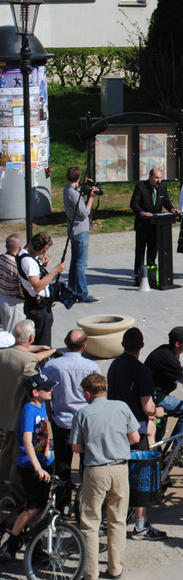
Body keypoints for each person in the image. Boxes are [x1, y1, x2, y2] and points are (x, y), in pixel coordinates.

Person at [70, 372, 140, 580]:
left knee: (90, 522)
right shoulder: (121, 407)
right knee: (117, 519)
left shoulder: (82, 413)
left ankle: (90, 572)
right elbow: (135, 437)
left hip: (95, 470)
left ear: (88, 394)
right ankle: (115, 568)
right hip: (120, 468)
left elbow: (76, 447)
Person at [106, 327, 166, 541]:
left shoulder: (114, 366)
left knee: (118, 474)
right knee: (141, 477)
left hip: (114, 429)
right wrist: (158, 411)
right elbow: (147, 406)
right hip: (135, 430)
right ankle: (140, 526)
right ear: (142, 346)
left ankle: (112, 517)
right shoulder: (142, 371)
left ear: (123, 344)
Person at [0, 371, 56, 564]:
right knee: (32, 509)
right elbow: (27, 440)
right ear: (35, 392)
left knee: (41, 508)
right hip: (30, 466)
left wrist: (48, 460)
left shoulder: (42, 407)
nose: (50, 390)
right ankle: (10, 545)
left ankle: (36, 547)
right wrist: (37, 467)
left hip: (44, 464)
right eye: (46, 388)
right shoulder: (28, 410)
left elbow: (42, 438)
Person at [43, 329, 101, 510]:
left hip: (61, 422)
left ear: (65, 342)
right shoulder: (92, 367)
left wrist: (49, 415)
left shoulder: (52, 366)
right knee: (87, 464)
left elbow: (46, 396)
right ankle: (85, 503)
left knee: (62, 464)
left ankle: (62, 506)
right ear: (84, 346)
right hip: (86, 423)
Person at [0, 320, 55, 482]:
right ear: (31, 338)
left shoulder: (3, 354)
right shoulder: (27, 361)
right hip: (19, 413)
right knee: (19, 452)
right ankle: (12, 488)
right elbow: (37, 386)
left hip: (5, 410)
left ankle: (3, 484)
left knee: (6, 450)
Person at [17, 232, 66, 348]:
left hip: (38, 306)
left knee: (42, 338)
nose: (44, 253)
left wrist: (41, 260)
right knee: (42, 344)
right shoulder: (28, 262)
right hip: (38, 307)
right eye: (43, 250)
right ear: (36, 246)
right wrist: (55, 271)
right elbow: (37, 286)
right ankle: (42, 364)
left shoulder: (23, 254)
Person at [130, 167, 179, 283]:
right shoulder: (141, 187)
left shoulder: (162, 187)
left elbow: (166, 200)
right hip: (143, 224)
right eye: (156, 178)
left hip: (156, 225)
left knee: (153, 251)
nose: (159, 180)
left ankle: (151, 276)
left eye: (161, 178)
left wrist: (172, 209)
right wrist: (142, 213)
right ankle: (139, 276)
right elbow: (133, 203)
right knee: (141, 251)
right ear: (150, 177)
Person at [63, 166, 98, 303]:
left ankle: (72, 289)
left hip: (73, 230)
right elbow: (84, 213)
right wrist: (91, 198)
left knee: (75, 262)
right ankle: (82, 293)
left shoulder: (68, 189)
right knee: (81, 264)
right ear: (77, 178)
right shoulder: (74, 194)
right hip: (80, 230)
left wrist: (84, 185)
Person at [0, 234, 24, 333]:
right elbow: (21, 289)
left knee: (6, 329)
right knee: (14, 333)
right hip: (14, 303)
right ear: (20, 247)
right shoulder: (16, 265)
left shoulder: (1, 259)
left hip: (2, 298)